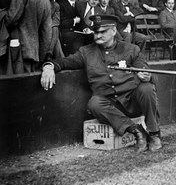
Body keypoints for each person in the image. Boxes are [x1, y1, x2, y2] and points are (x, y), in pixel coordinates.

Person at [40, 14, 162, 153]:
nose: (97, 35)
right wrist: (49, 66)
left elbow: (146, 70)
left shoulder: (131, 49)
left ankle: (154, 134)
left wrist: (146, 75)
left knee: (146, 88)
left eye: (102, 32)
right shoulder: (85, 52)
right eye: (95, 32)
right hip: (110, 106)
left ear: (114, 31)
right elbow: (65, 62)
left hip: (132, 101)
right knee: (94, 103)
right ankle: (137, 131)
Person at [5, 0, 52, 72]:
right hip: (34, 55)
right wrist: (40, 56)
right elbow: (47, 33)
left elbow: (10, 21)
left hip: (16, 52)